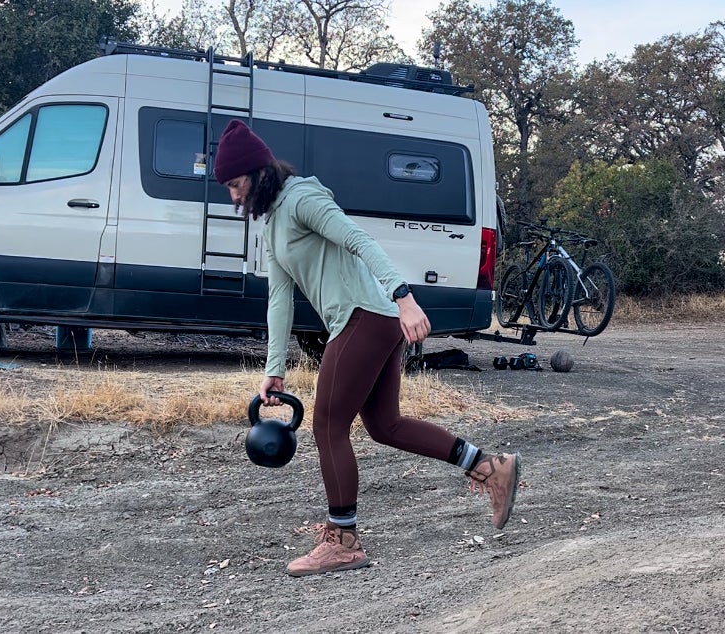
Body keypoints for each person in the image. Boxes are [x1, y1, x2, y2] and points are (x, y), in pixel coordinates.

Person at [213, 119, 521, 577]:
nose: (234, 197)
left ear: (258, 172)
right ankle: (489, 466)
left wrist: (405, 297)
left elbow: (359, 241)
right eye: (229, 189)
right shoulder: (274, 222)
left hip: (366, 316)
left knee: (327, 426)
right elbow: (280, 297)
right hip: (366, 320)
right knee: (384, 424)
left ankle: (343, 540)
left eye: (236, 185)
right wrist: (273, 368)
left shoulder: (302, 198)